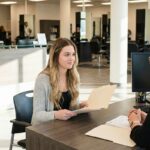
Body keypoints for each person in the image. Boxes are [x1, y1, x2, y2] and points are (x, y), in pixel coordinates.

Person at [32, 38, 87, 125]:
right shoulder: (43, 79)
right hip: (45, 129)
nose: (71, 58)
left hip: (65, 126)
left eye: (73, 54)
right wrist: (56, 115)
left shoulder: (74, 77)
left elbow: (70, 109)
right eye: (66, 55)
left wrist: (79, 106)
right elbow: (37, 115)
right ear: (56, 56)